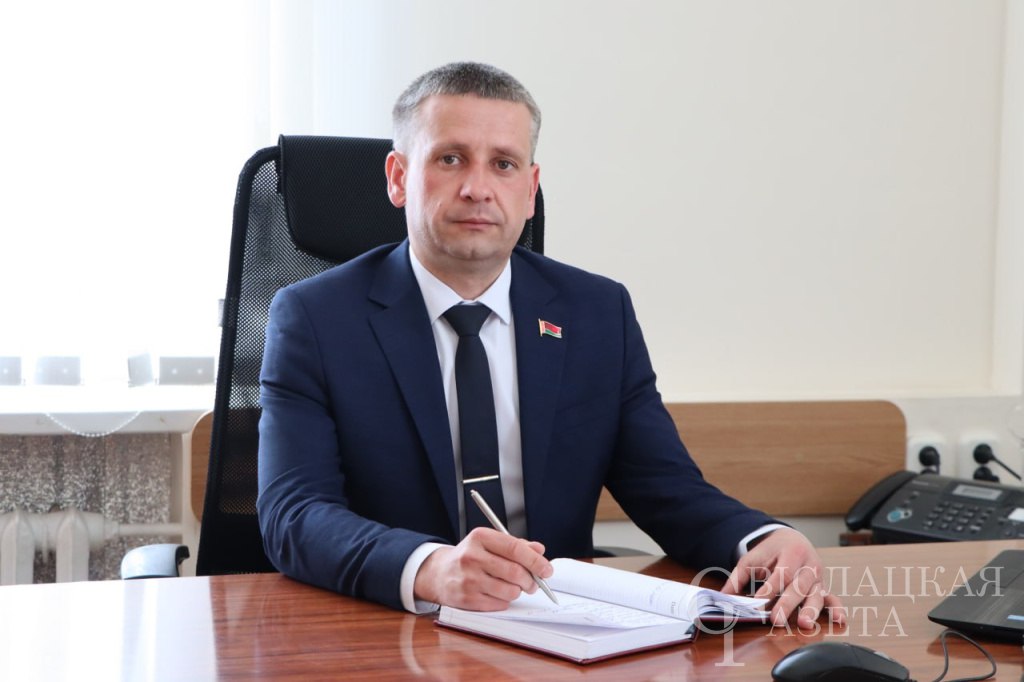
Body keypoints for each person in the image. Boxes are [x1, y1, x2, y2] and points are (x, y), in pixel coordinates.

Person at [257, 61, 845, 628]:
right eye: (450, 158)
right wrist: (430, 568)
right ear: (398, 177)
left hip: (558, 630)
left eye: (504, 164)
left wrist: (764, 536)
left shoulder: (597, 313)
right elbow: (295, 514)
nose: (478, 188)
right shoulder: (315, 318)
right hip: (387, 628)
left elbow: (666, 488)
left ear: (531, 188)